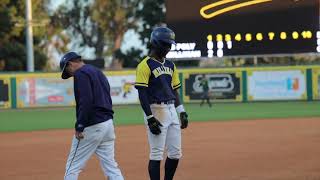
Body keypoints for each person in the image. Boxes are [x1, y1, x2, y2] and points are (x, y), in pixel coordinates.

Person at [135, 26, 189, 180]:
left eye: (170, 45)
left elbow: (175, 92)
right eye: (165, 44)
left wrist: (182, 112)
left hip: (171, 109)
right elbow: (142, 94)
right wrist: (150, 118)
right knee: (157, 153)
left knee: (175, 153)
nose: (169, 48)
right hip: (155, 109)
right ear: (156, 43)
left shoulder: (171, 65)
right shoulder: (145, 65)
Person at [60, 52, 124, 180]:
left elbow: (86, 100)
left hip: (92, 125)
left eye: (68, 71)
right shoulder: (97, 71)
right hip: (107, 124)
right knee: (111, 166)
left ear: (70, 64)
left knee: (72, 166)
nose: (71, 74)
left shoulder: (80, 73)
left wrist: (80, 124)